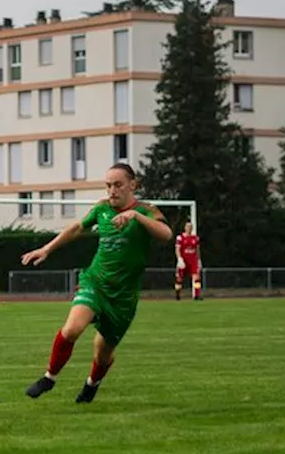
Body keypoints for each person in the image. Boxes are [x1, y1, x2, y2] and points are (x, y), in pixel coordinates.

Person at [20, 163, 173, 403]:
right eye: (108, 185)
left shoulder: (146, 210)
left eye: (118, 185)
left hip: (124, 296)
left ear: (133, 185)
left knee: (103, 355)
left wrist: (135, 216)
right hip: (95, 282)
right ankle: (49, 378)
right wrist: (47, 248)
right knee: (72, 329)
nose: (112, 191)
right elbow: (77, 228)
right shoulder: (101, 209)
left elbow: (166, 235)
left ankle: (92, 384)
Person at [174, 221, 202, 300]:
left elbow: (197, 250)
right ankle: (178, 294)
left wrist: (199, 260)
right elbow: (177, 249)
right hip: (184, 260)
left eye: (190, 227)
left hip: (193, 260)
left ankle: (197, 295)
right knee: (179, 278)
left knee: (196, 277)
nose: (189, 228)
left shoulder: (195, 238)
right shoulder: (180, 238)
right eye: (188, 227)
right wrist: (179, 259)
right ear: (185, 228)